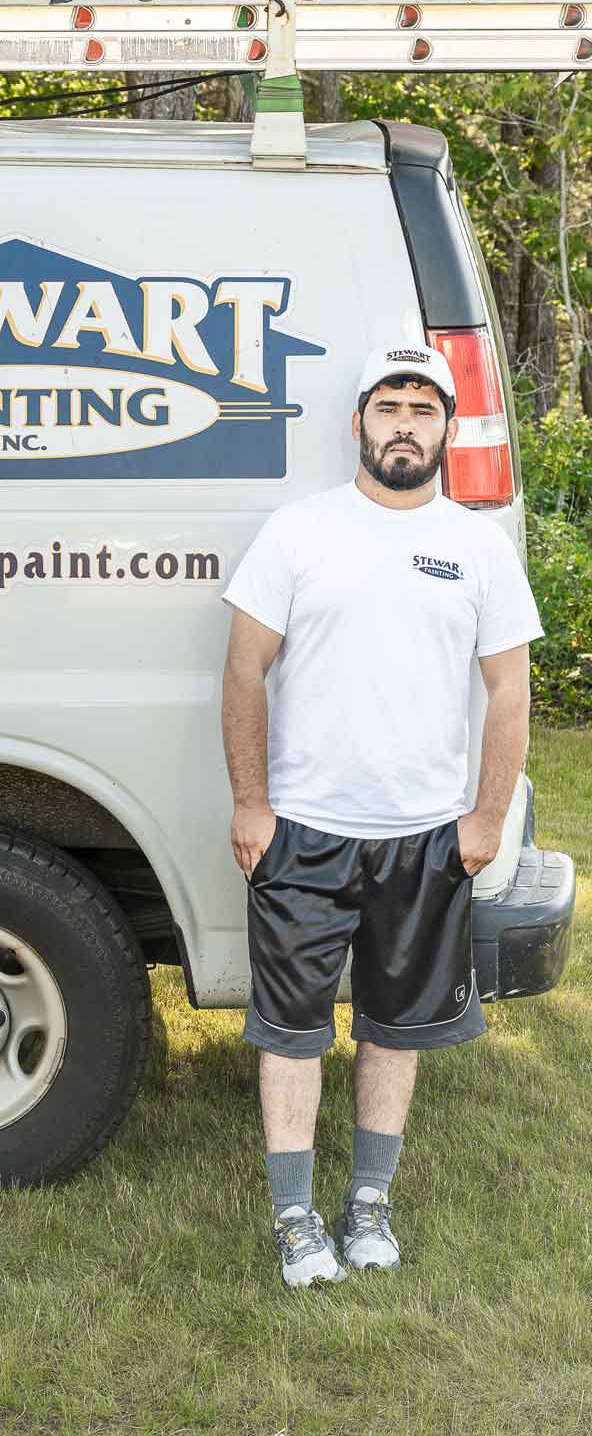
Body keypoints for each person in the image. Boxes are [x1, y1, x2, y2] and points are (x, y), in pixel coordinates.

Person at [220, 343, 541, 1288]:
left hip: (425, 836)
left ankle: (367, 1207)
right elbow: (245, 669)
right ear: (358, 420)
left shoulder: (479, 546)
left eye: (424, 408)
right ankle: (294, 1218)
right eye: (389, 405)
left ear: (445, 428)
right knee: (292, 1030)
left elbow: (510, 694)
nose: (405, 422)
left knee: (395, 1029)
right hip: (306, 830)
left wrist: (483, 821)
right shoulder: (299, 532)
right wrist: (252, 802)